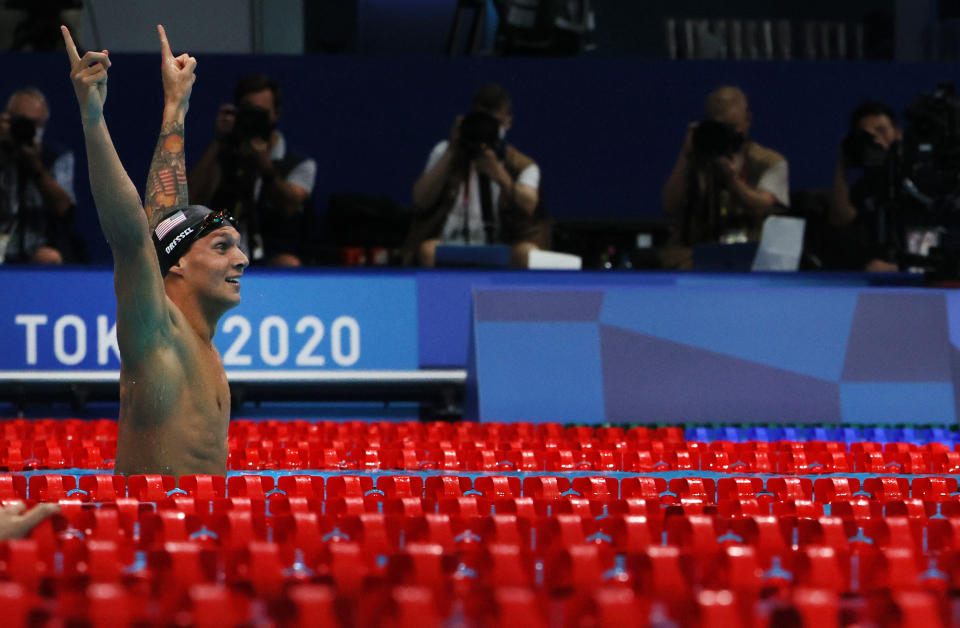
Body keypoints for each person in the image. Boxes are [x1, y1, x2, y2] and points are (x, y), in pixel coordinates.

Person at [62, 24, 248, 477]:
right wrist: (92, 117)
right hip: (147, 543)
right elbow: (132, 236)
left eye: (237, 247)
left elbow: (166, 222)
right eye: (222, 246)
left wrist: (176, 107)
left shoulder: (200, 344)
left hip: (200, 538)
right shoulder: (157, 338)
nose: (241, 259)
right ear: (179, 265)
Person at [405, 83, 547, 268]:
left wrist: (500, 175)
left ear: (507, 121)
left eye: (494, 123)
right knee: (428, 250)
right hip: (449, 242)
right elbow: (420, 199)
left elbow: (529, 204)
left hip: (501, 244)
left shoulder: (521, 165)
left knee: (526, 252)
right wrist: (452, 151)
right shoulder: (445, 152)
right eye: (482, 121)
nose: (486, 130)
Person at [188, 74, 316, 266]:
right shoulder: (223, 157)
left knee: (289, 263)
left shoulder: (300, 164)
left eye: (261, 112)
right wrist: (218, 142)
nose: (254, 118)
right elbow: (192, 199)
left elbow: (291, 207)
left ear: (277, 114)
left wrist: (266, 167)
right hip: (223, 252)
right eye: (248, 111)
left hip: (276, 255)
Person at [660, 86, 789, 269]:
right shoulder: (696, 160)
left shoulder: (769, 162)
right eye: (721, 127)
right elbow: (669, 206)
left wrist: (733, 182)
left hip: (748, 256)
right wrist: (686, 154)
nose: (729, 134)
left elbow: (763, 205)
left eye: (733, 127)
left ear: (747, 121)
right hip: (694, 256)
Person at [0, 86, 77, 264]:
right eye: (19, 121)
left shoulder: (56, 156)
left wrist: (35, 166)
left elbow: (65, 209)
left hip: (37, 246)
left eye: (33, 124)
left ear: (43, 125)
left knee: (49, 257)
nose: (25, 128)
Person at [827, 101, 902, 272]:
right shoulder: (867, 185)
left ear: (898, 133)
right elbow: (841, 219)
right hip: (871, 272)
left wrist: (897, 268)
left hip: (918, 274)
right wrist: (842, 163)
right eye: (868, 135)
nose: (876, 138)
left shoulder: (918, 179)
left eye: (882, 130)